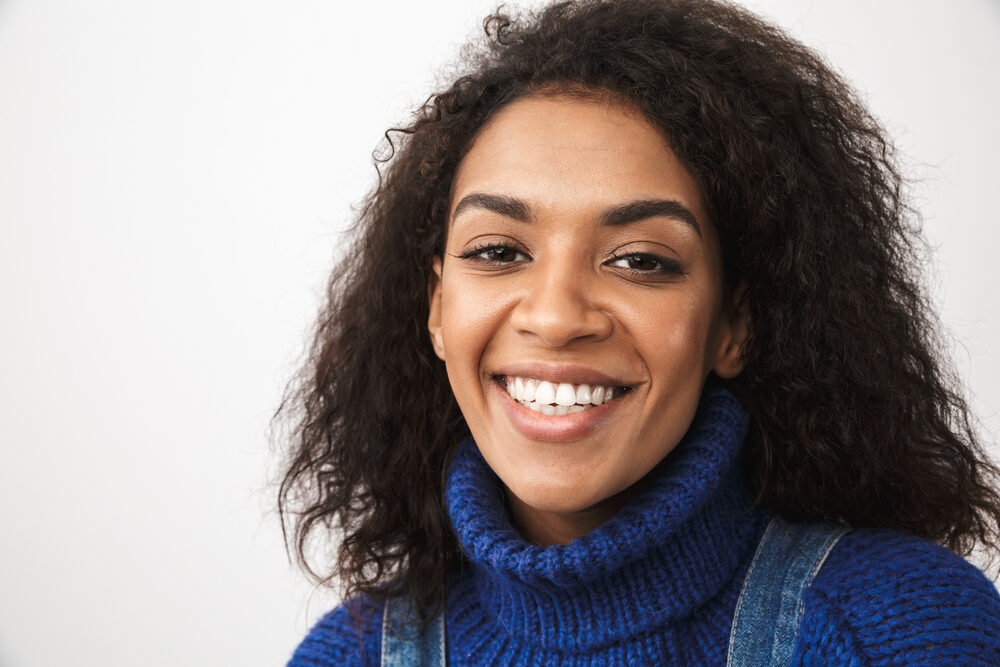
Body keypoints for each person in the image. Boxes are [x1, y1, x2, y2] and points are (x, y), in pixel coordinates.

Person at [277, 0, 1000, 664]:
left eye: (640, 260)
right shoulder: (350, 654)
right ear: (437, 306)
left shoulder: (899, 633)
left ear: (734, 323)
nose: (556, 317)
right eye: (498, 251)